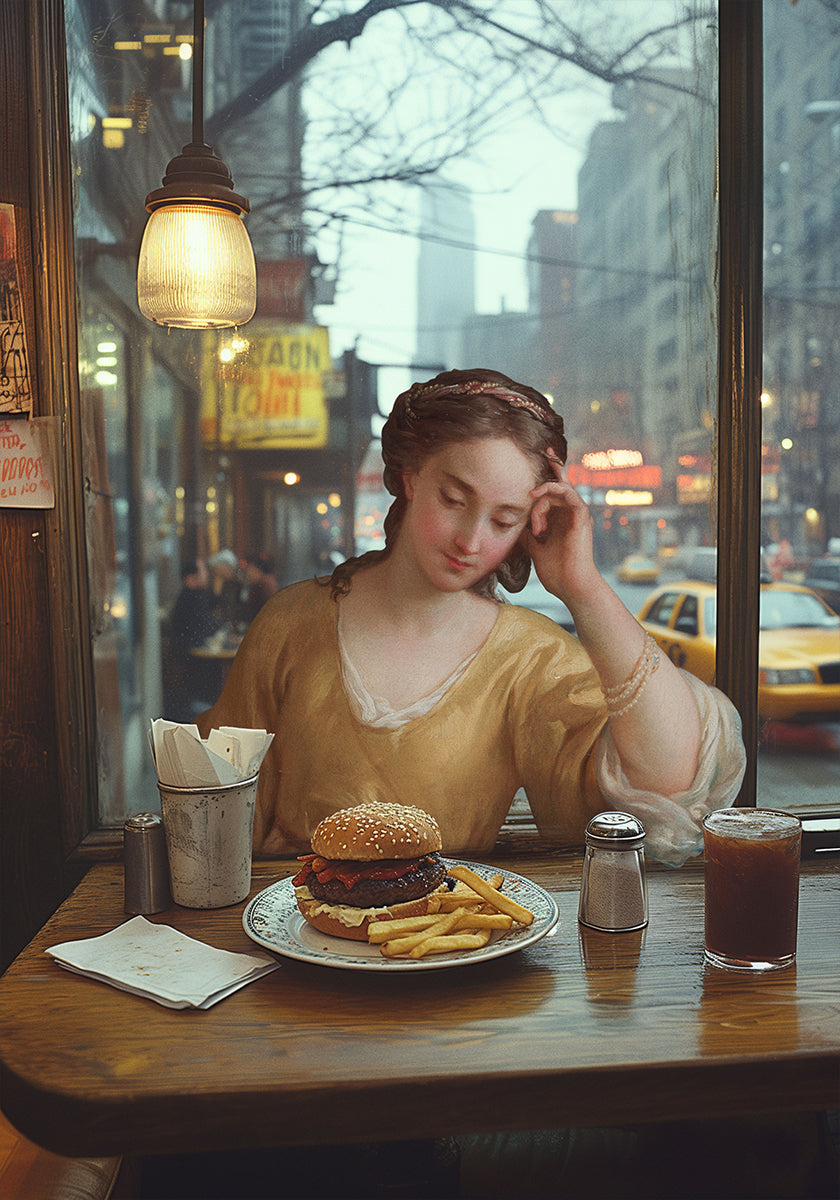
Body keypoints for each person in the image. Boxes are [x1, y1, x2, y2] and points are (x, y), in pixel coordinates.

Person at [198, 369, 745, 864]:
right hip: (289, 927)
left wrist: (583, 588)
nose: (471, 541)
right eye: (454, 500)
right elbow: (220, 812)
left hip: (443, 935)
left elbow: (668, 782)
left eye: (504, 521)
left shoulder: (528, 657)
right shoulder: (292, 621)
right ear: (411, 477)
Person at [166, 558, 221, 721]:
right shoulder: (191, 598)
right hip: (191, 663)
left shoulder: (191, 596)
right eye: (203, 571)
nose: (206, 575)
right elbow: (206, 627)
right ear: (190, 578)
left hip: (189, 662)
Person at [243, 551, 279, 623]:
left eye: (250, 570)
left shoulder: (266, 584)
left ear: (257, 570)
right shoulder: (258, 583)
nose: (248, 574)